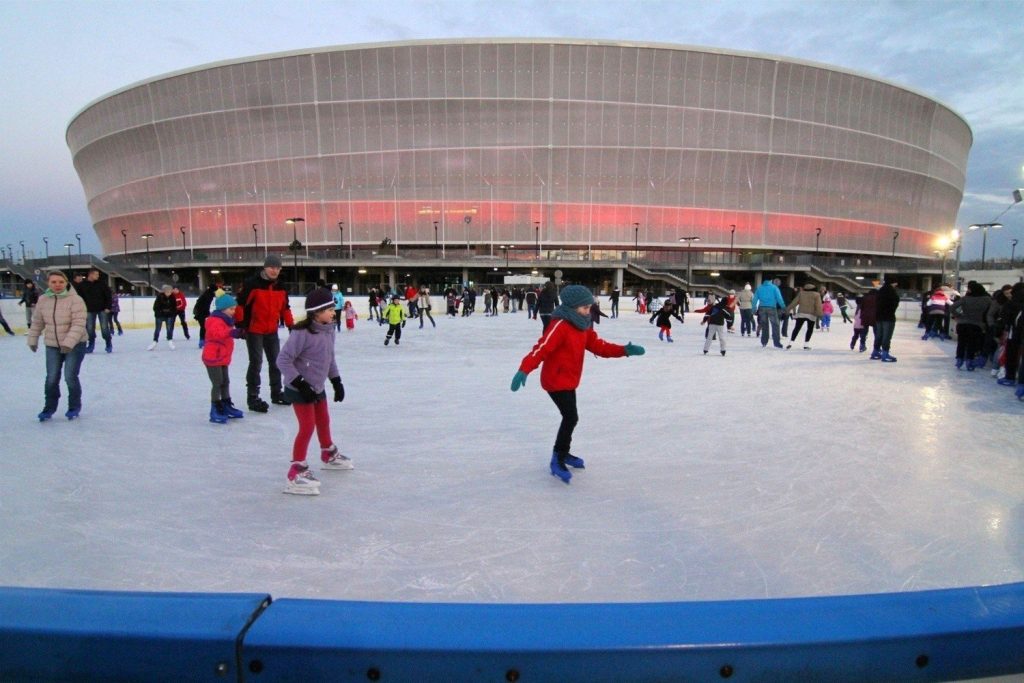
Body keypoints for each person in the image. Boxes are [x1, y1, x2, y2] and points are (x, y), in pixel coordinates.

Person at [510, 285, 645, 484]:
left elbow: (599, 346)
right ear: (572, 307)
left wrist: (624, 350)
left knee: (571, 417)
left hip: (570, 380)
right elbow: (542, 348)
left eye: (589, 307)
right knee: (571, 417)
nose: (587, 311)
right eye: (584, 308)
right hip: (555, 381)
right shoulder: (560, 325)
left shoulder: (583, 325)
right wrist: (524, 369)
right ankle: (558, 457)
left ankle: (563, 452)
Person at [276, 287, 351, 495]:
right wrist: (300, 383)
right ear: (316, 312)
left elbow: (330, 358)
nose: (333, 312)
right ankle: (296, 471)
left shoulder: (328, 331)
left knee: (324, 420)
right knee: (307, 427)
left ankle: (328, 454)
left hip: (317, 387)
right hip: (299, 389)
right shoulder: (302, 333)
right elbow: (282, 360)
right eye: (328, 309)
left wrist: (336, 381)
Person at [236, 255, 295, 412]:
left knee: (276, 362)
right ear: (265, 268)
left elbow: (285, 308)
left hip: (271, 330)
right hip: (254, 330)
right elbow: (241, 305)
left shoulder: (280, 287)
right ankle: (253, 397)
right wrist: (241, 325)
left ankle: (276, 393)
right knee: (256, 363)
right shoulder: (252, 284)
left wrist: (291, 325)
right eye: (272, 267)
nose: (275, 270)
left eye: (277, 268)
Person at [27, 270, 87, 421]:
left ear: (66, 283)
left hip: (75, 344)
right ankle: (49, 408)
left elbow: (79, 323)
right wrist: (32, 339)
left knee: (70, 376)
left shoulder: (75, 300)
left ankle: (74, 406)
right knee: (52, 378)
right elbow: (38, 322)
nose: (57, 285)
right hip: (52, 344)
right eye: (53, 282)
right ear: (48, 283)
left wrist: (68, 343)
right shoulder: (43, 300)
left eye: (61, 282)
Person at [202, 292, 245, 424]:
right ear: (222, 309)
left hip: (222, 357)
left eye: (234, 309)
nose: (233, 311)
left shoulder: (227, 320)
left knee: (225, 381)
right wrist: (231, 332)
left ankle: (226, 405)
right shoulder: (214, 320)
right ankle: (215, 409)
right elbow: (216, 334)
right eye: (231, 309)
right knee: (217, 383)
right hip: (213, 357)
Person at [951, 281, 991, 371]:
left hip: (962, 324)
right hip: (977, 325)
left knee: (961, 343)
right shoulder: (987, 299)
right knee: (972, 344)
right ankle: (969, 361)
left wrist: (959, 315)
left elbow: (952, 307)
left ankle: (959, 360)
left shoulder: (965, 298)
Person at [76, 267, 113, 353]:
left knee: (104, 329)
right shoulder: (82, 285)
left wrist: (108, 307)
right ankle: (91, 344)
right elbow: (79, 298)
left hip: (102, 309)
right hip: (89, 310)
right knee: (89, 329)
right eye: (96, 274)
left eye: (98, 274)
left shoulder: (102, 284)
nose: (98, 276)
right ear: (90, 274)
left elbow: (108, 295)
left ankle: (108, 343)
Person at [786, 283, 823, 350]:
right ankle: (806, 345)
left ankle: (790, 343)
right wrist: (820, 315)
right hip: (811, 314)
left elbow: (794, 302)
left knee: (797, 328)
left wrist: (787, 309)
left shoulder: (801, 293)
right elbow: (818, 305)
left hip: (801, 313)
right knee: (809, 329)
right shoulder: (817, 295)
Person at [752, 278, 786, 348]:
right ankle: (777, 343)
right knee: (775, 325)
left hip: (762, 308)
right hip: (772, 308)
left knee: (764, 325)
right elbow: (779, 298)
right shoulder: (774, 288)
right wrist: (783, 306)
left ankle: (764, 342)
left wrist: (753, 308)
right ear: (771, 280)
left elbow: (754, 299)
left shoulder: (759, 288)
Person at [872, 279, 900, 362]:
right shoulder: (892, 291)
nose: (896, 284)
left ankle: (875, 351)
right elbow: (895, 302)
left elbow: (876, 303)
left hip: (878, 317)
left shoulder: (880, 291)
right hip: (888, 317)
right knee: (886, 336)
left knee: (879, 335)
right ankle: (885, 354)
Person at [192, 280, 221, 349]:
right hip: (200, 312)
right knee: (204, 327)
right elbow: (204, 305)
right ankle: (202, 341)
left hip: (201, 312)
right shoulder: (207, 295)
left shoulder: (208, 294)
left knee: (205, 327)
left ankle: (204, 340)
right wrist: (207, 313)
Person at [148, 284, 178, 350]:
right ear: (164, 291)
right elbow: (155, 307)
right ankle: (155, 341)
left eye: (170, 292)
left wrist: (171, 313)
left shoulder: (172, 297)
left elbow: (174, 307)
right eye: (167, 292)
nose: (168, 293)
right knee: (158, 329)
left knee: (169, 328)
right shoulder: (159, 297)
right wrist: (160, 312)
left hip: (169, 316)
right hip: (160, 316)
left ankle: (170, 341)